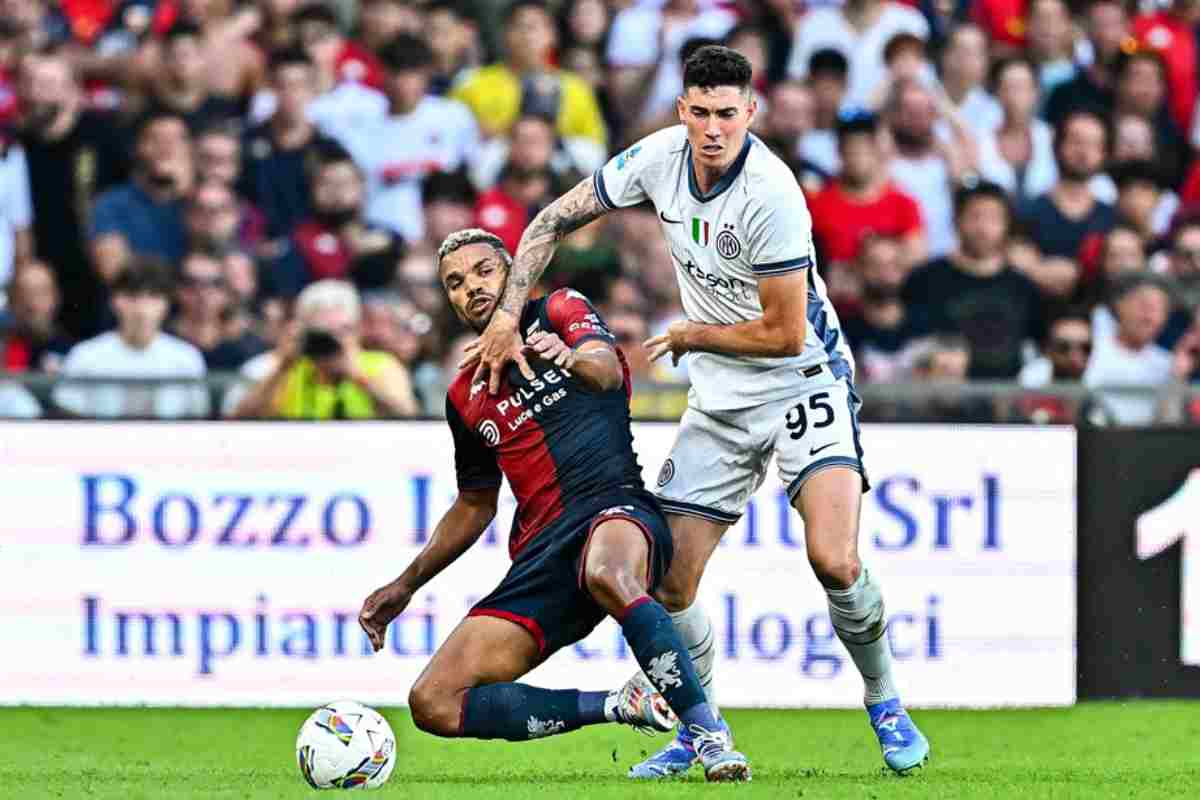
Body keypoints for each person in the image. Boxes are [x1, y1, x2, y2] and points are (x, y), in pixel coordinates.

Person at [464, 45, 929, 778]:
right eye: (701, 113)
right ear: (684, 111)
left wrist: (689, 334)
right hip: (719, 396)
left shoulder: (772, 194)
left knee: (833, 559)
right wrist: (506, 314)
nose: (713, 129)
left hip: (800, 381)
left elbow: (784, 331)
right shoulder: (655, 160)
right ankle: (698, 730)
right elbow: (552, 221)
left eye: (727, 114)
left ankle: (885, 700)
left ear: (751, 113)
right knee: (671, 585)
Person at [356, 228, 750, 782]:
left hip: (615, 510)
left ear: (515, 273)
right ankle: (619, 705)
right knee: (433, 701)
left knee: (610, 571)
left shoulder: (560, 310)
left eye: (483, 271)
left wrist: (567, 357)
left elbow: (609, 371)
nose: (471, 287)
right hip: (543, 554)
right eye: (454, 283)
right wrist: (405, 584)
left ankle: (708, 734)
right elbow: (474, 505)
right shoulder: (464, 395)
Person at [18, 51, 130, 338]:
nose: (36, 94)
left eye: (48, 85)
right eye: (29, 84)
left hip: (91, 272)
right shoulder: (15, 143)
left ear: (72, 91)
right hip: (36, 274)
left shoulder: (103, 135)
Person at [333, 33, 479, 246]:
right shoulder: (360, 129)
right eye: (397, 73)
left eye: (412, 74)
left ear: (426, 74)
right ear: (383, 74)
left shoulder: (454, 117)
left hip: (445, 236)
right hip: (382, 234)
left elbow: (474, 179)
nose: (404, 83)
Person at [903, 181, 1044, 379]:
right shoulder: (925, 279)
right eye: (974, 216)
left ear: (1007, 225)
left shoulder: (1023, 286)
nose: (983, 228)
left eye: (994, 218)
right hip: (941, 400)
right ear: (956, 220)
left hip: (1007, 401)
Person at [228, 279, 417, 420]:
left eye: (342, 331)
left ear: (357, 329)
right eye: (323, 333)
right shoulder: (286, 370)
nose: (332, 341)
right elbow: (242, 421)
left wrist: (358, 378)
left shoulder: (379, 366)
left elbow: (408, 417)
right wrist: (282, 368)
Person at [53, 258, 208, 419]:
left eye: (152, 296)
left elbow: (196, 422)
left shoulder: (187, 359)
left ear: (166, 304)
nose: (142, 308)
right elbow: (69, 418)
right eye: (132, 296)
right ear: (115, 301)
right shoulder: (85, 356)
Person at [452, 0, 607, 148]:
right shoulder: (473, 84)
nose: (526, 35)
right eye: (519, 26)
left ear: (551, 34)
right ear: (505, 33)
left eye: (534, 27)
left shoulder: (575, 88)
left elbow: (594, 147)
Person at [808, 110, 925, 271]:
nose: (858, 153)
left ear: (878, 149)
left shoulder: (903, 204)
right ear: (839, 151)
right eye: (851, 145)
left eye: (865, 145)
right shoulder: (816, 205)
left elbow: (916, 261)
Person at [89, 111, 192, 284]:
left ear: (190, 149)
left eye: (177, 140)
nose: (166, 148)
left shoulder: (203, 200)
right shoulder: (112, 204)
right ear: (138, 147)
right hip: (138, 302)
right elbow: (111, 270)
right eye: (155, 139)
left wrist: (187, 194)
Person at [1084, 273, 1176, 424]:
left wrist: (1177, 375)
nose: (1149, 317)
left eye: (1158, 309)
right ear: (1119, 305)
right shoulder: (1089, 351)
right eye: (1144, 306)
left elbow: (1172, 422)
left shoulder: (1169, 364)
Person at [1, 260, 72, 373]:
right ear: (13, 302)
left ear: (56, 297)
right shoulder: (4, 349)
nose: (33, 303)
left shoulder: (75, 353)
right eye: (25, 293)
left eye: (42, 292)